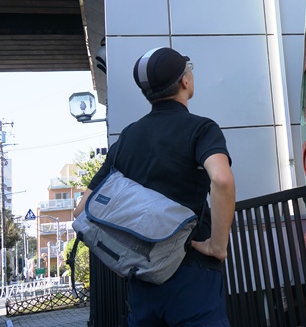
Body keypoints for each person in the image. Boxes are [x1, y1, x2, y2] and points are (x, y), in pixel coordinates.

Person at [73, 47, 236, 326]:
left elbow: (81, 210)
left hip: (143, 276)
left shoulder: (126, 138)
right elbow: (221, 179)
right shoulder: (201, 129)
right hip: (192, 271)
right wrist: (217, 246)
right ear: (185, 81)